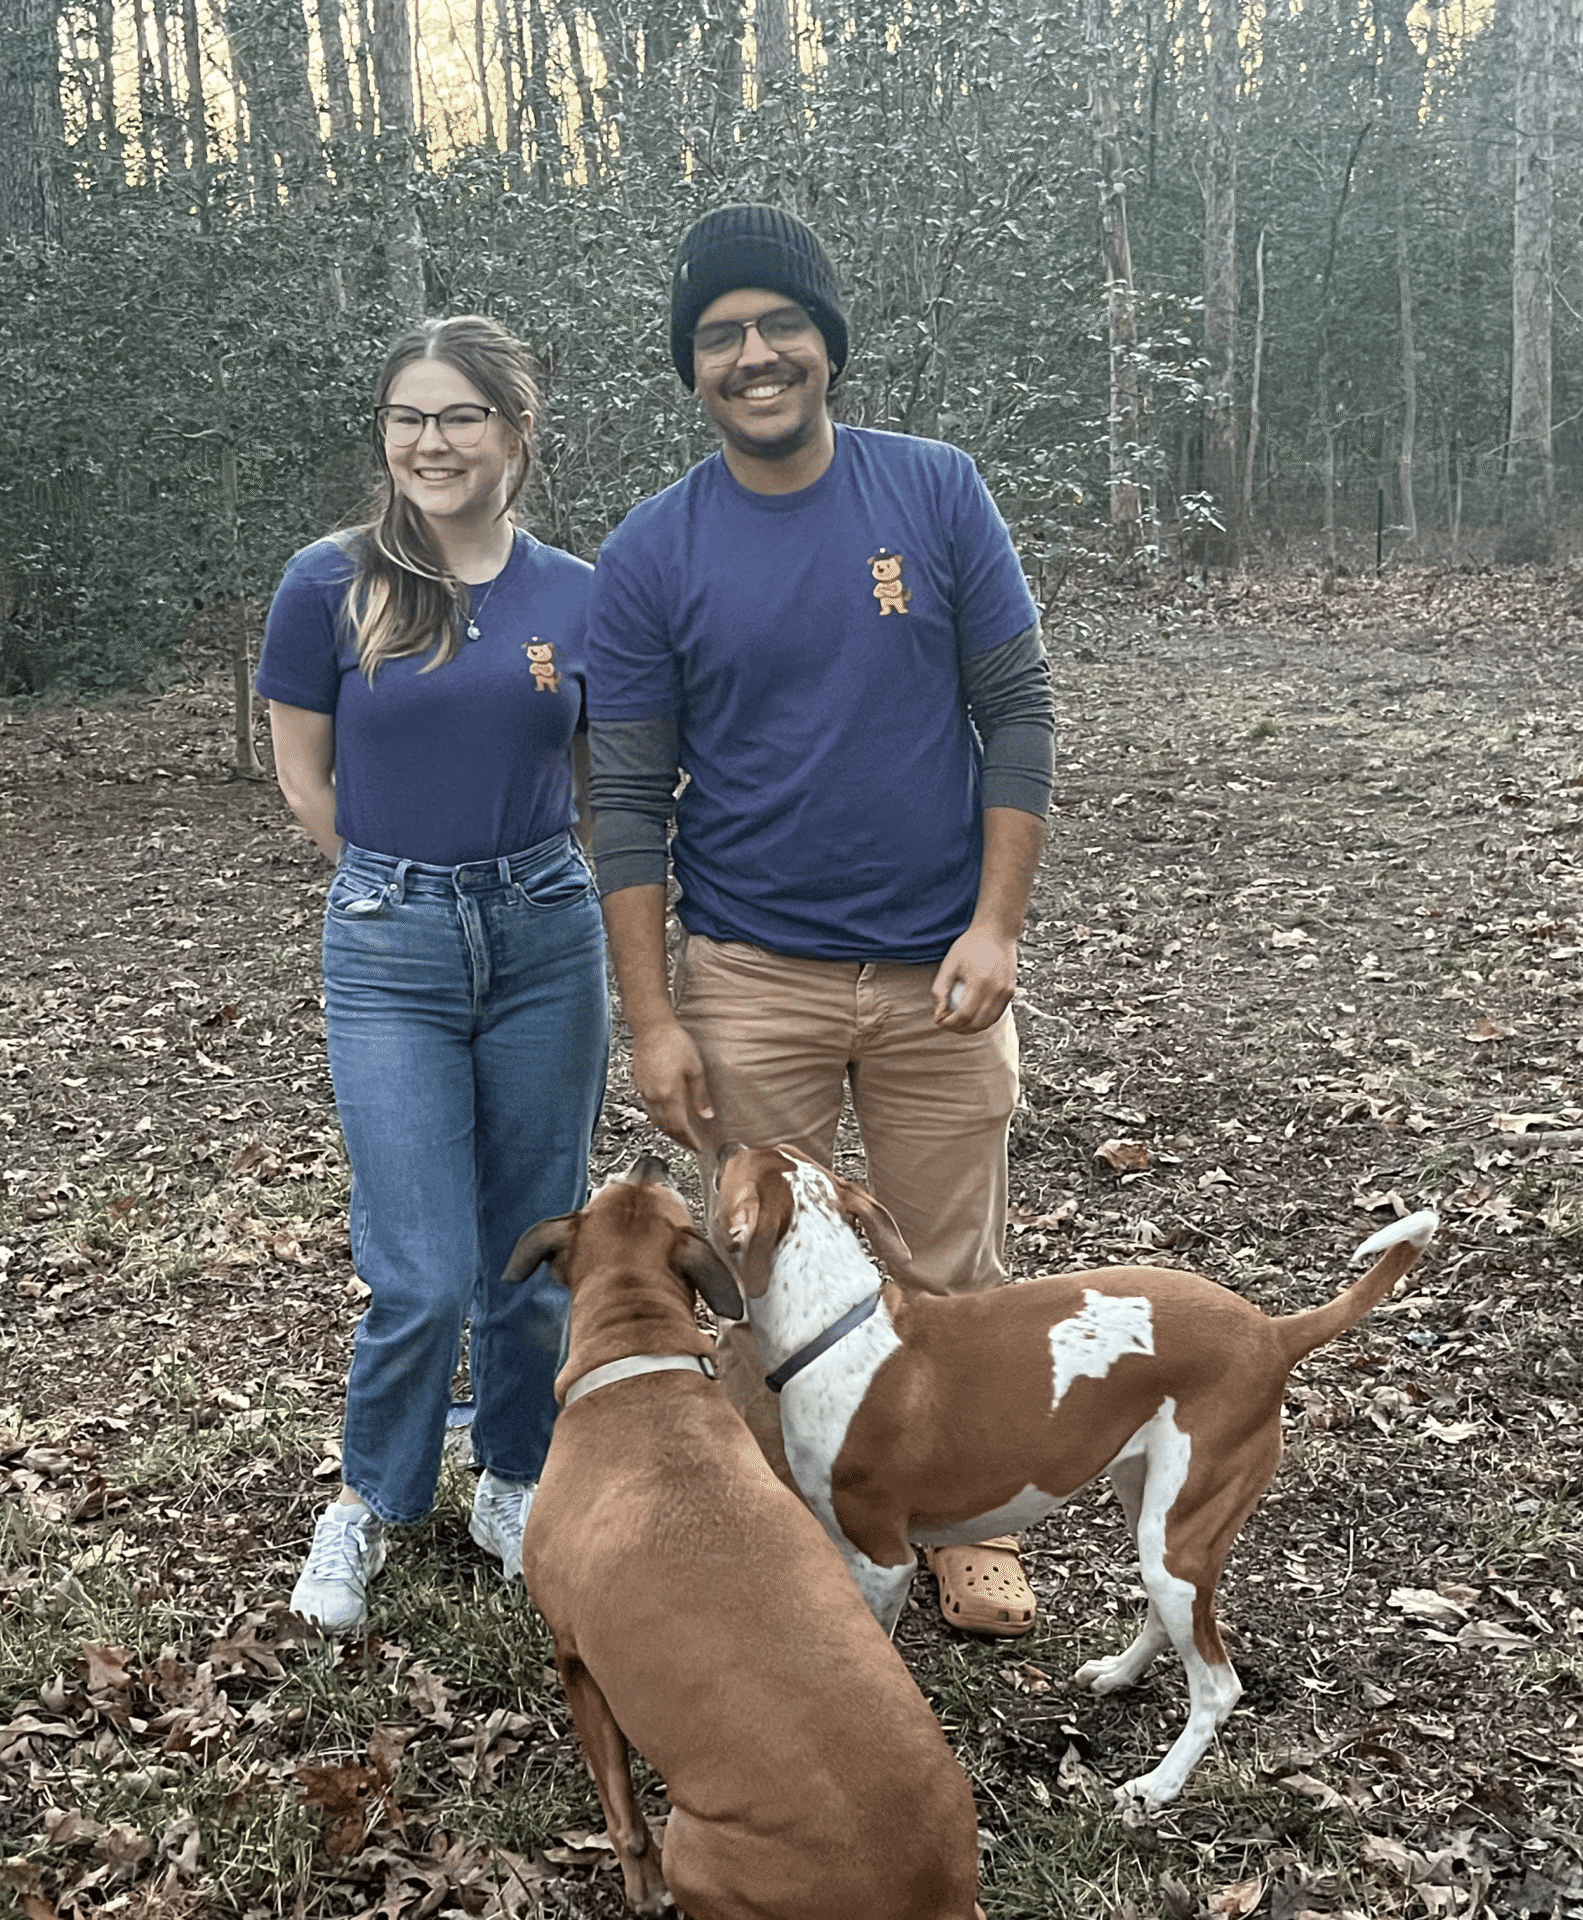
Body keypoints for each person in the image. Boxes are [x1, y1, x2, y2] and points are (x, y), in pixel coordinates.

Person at [583, 206, 1057, 1638]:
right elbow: (624, 790)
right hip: (748, 975)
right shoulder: (654, 551)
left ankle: (963, 1521)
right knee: (763, 1278)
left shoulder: (935, 493)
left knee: (950, 1267)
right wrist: (655, 1015)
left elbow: (1016, 711)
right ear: (693, 368)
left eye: (779, 325)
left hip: (939, 976)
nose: (755, 354)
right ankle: (784, 1532)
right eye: (720, 335)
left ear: (827, 345)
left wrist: (997, 927)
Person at [255, 315, 607, 1634]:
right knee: (420, 1269)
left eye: (461, 415)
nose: (432, 441)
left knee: (531, 1242)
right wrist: (401, 877)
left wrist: (514, 872)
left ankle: (516, 1476)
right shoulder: (328, 583)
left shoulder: (579, 592)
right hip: (391, 941)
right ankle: (371, 1502)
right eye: (410, 417)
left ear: (516, 432)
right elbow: (304, 772)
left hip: (545, 937)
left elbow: (592, 770)